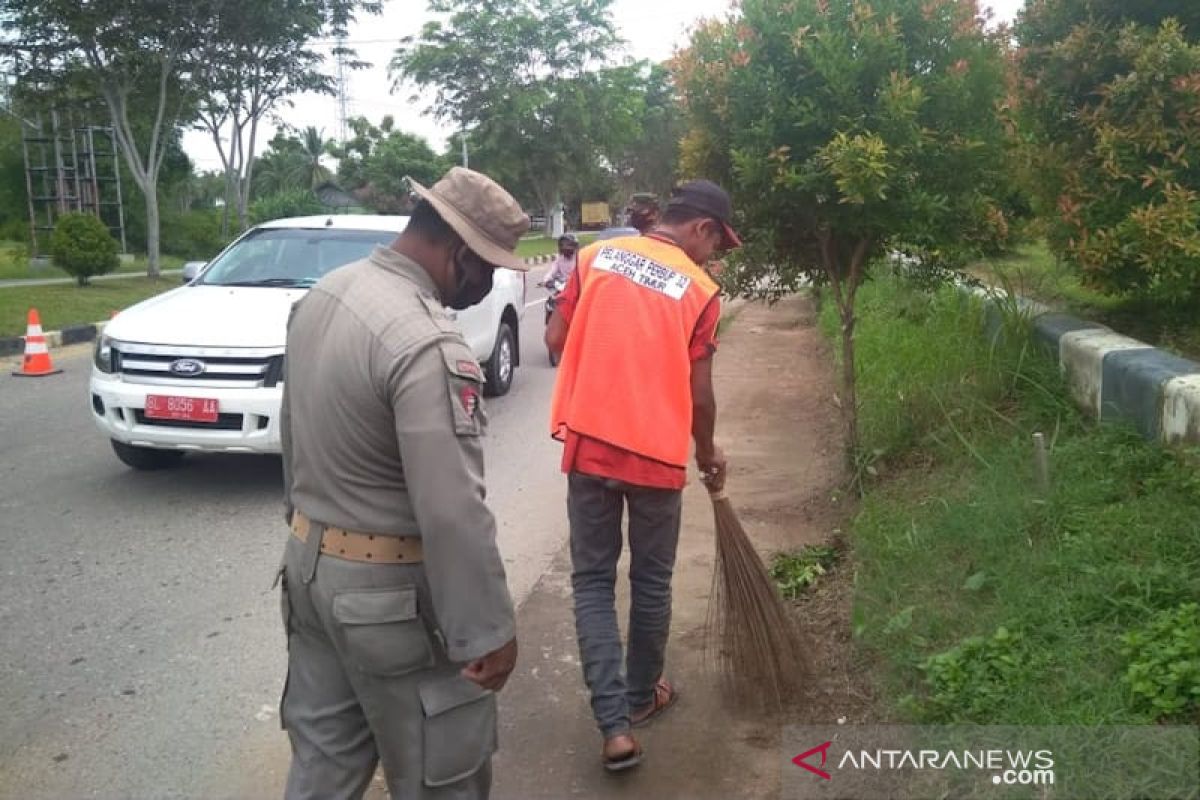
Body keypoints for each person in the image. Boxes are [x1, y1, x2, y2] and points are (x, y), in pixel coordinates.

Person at [278, 166, 528, 800]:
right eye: (488, 266)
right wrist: (488, 632)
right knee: (445, 772)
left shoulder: (326, 295)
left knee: (324, 767)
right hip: (388, 604)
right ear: (458, 251)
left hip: (308, 572)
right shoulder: (425, 343)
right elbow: (452, 510)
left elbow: (295, 434)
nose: (488, 282)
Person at [544, 179, 739, 772]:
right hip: (655, 456)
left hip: (590, 445)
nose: (715, 257)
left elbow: (554, 337)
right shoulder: (701, 290)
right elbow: (698, 395)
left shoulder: (592, 258)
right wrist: (706, 451)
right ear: (701, 229)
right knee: (651, 583)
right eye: (719, 244)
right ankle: (641, 695)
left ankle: (614, 727)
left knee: (593, 583)